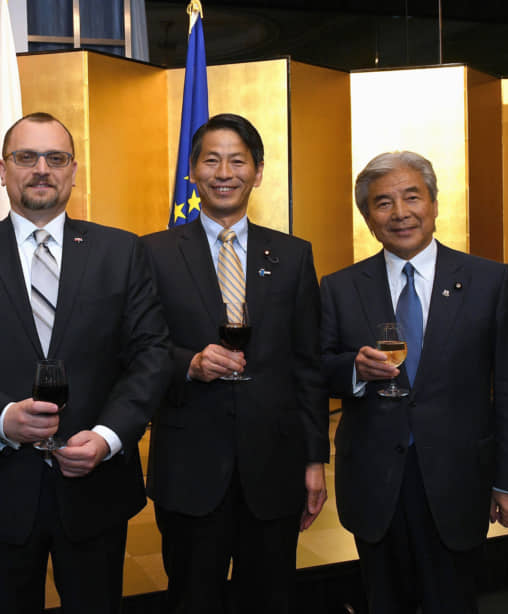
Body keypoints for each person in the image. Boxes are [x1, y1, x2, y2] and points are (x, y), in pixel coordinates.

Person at [0, 111, 171, 614]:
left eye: (55, 158)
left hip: (95, 484)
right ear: (3, 170)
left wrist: (108, 436)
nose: (41, 169)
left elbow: (151, 354)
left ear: (74, 170)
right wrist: (2, 418)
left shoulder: (121, 251)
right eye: (26, 157)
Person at [320, 151, 508, 613]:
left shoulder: (489, 281)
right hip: (374, 484)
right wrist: (353, 370)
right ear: (368, 218)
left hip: (459, 480)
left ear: (435, 204)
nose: (400, 213)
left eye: (412, 197)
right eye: (382, 203)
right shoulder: (339, 287)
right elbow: (316, 368)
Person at [142, 113, 330, 613]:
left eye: (237, 160)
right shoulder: (152, 254)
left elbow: (307, 366)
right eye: (211, 160)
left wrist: (315, 460)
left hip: (275, 470)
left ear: (258, 171)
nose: (224, 172)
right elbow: (140, 351)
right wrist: (190, 363)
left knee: (271, 598)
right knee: (191, 598)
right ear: (192, 172)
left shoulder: (292, 255)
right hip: (189, 469)